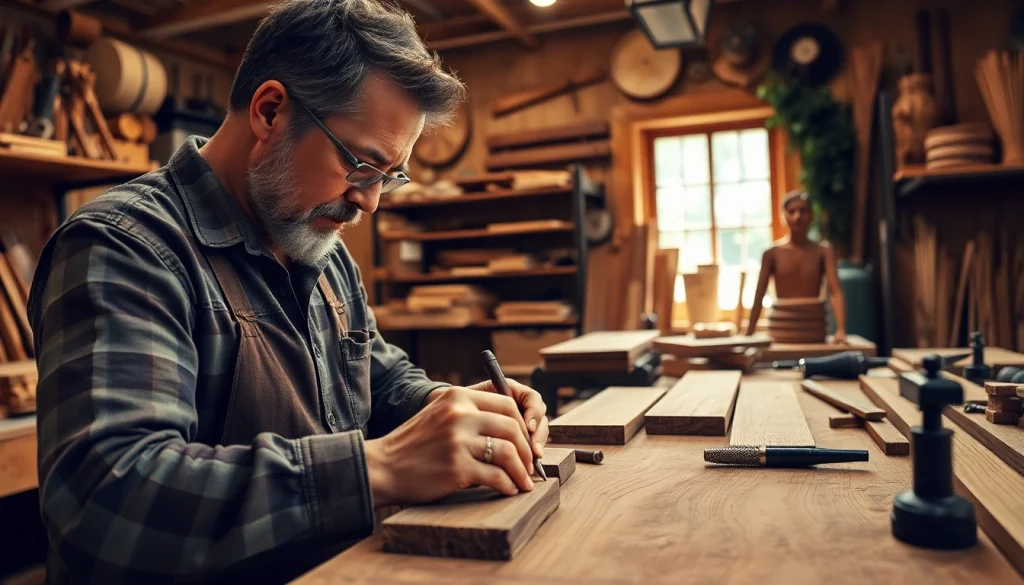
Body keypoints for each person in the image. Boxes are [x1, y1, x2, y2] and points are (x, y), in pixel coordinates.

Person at [27, 1, 550, 582]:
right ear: (271, 111)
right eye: (361, 165)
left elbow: (377, 374)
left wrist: (453, 407)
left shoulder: (318, 250)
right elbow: (107, 502)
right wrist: (376, 466)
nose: (369, 202)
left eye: (388, 178)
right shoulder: (125, 247)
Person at [744, 190, 847, 343]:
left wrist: (841, 330)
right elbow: (759, 294)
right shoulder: (772, 253)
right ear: (783, 216)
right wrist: (749, 334)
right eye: (791, 211)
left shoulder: (824, 251)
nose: (797, 217)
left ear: (811, 215)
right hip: (781, 333)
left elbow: (835, 291)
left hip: (814, 332)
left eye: (802, 211)